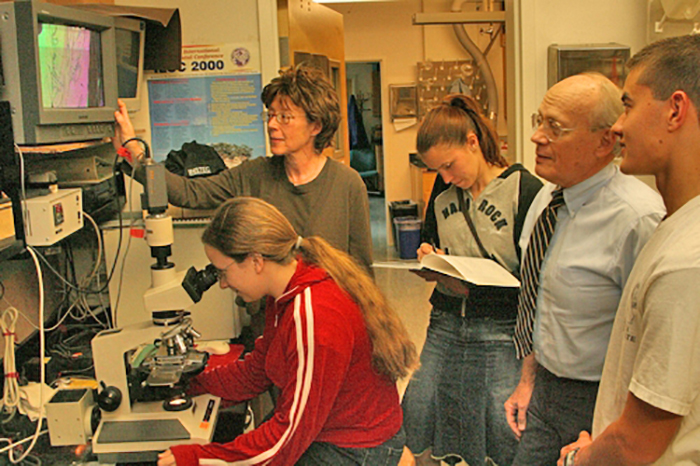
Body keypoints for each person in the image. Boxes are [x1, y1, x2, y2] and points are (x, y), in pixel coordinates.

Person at [156, 197, 418, 466]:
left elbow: (286, 439)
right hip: (329, 430)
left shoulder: (313, 314)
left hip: (355, 448)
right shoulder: (289, 289)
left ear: (256, 261)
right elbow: (258, 370)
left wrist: (196, 458)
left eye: (223, 272)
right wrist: (192, 385)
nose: (222, 284)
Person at [505, 72, 665, 466]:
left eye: (555, 127)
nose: (537, 137)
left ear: (605, 141)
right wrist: (528, 382)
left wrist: (612, 429)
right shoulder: (546, 200)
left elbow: (653, 343)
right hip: (545, 391)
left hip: (603, 401)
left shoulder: (636, 219)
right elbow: (536, 299)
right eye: (539, 121)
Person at [558, 34, 700, 466]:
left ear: (675, 110)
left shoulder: (687, 260)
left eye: (629, 106)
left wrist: (577, 461)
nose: (617, 126)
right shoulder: (675, 226)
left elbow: (637, 441)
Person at [114, 64, 373, 272]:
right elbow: (187, 192)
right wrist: (133, 151)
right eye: (270, 115)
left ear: (316, 126)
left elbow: (361, 269)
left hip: (328, 319)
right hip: (268, 321)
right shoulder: (254, 174)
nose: (272, 124)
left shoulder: (347, 183)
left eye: (284, 117)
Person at [400, 94, 543, 466]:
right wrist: (429, 257)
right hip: (446, 322)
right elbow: (431, 239)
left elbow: (537, 275)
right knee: (418, 406)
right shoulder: (444, 191)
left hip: (501, 328)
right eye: (437, 172)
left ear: (473, 141)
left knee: (503, 422)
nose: (446, 178)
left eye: (449, 165)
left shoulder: (525, 191)